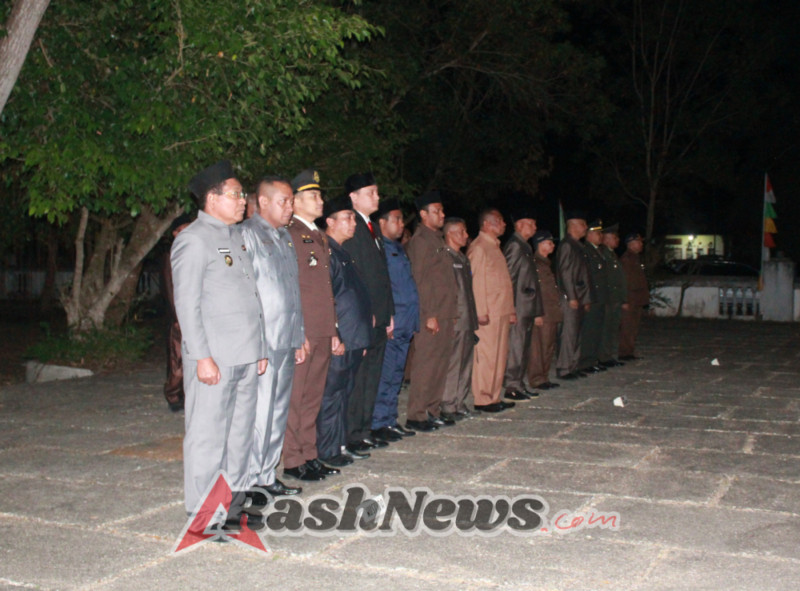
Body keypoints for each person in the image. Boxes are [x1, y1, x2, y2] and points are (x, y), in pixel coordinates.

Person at [171, 160, 266, 528]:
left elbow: (247, 298)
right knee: (208, 437)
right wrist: (201, 356)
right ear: (212, 199)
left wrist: (258, 350)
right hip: (215, 358)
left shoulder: (235, 237)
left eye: (243, 194)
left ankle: (232, 505)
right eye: (236, 194)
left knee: (239, 436)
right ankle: (203, 513)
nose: (243, 201)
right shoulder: (193, 240)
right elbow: (187, 304)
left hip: (244, 355)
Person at [240, 176, 306, 497]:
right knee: (260, 412)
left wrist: (300, 334)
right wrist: (256, 344)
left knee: (278, 411)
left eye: (292, 201)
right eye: (284, 201)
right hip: (263, 342)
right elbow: (245, 294)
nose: (290, 207)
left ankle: (267, 474)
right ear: (263, 202)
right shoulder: (247, 235)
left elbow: (292, 290)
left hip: (286, 337)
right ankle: (251, 479)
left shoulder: (284, 237)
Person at [284, 169, 340, 482]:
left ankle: (309, 454)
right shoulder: (290, 234)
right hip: (304, 328)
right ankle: (293, 459)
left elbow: (325, 288)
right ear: (295, 201)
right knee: (297, 396)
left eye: (319, 195)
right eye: (313, 196)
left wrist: (332, 329)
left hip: (321, 326)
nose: (320, 201)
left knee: (313, 396)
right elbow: (292, 287)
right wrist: (297, 331)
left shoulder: (318, 235)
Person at [317, 196, 374, 466]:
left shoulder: (342, 251)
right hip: (340, 337)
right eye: (347, 217)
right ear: (330, 222)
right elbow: (326, 297)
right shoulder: (325, 250)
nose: (353, 222)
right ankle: (327, 451)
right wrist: (334, 333)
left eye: (353, 217)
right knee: (331, 396)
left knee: (344, 395)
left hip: (352, 336)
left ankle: (339, 445)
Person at [342, 172, 396, 453]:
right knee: (359, 377)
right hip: (364, 315)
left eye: (376, 192)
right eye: (371, 192)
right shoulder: (351, 226)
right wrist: (368, 311)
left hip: (380, 314)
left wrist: (389, 312)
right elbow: (356, 274)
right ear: (354, 197)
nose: (377, 196)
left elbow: (381, 274)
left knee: (373, 374)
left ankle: (364, 429)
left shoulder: (372, 225)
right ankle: (351, 434)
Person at [405, 191, 459, 430]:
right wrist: (428, 315)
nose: (442, 215)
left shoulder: (437, 240)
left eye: (442, 210)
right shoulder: (420, 241)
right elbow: (419, 280)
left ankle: (432, 410)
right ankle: (416, 415)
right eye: (436, 211)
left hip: (445, 312)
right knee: (425, 365)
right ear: (423, 214)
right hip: (431, 314)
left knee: (440, 365)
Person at [371, 198, 419, 441]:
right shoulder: (378, 249)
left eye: (401, 219)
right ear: (382, 222)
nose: (401, 224)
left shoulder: (398, 248)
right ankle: (378, 422)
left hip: (405, 321)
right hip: (392, 322)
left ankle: (389, 419)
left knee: (396, 374)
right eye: (397, 219)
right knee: (386, 374)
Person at [468, 208, 516, 413]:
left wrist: (510, 310)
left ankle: (494, 396)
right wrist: (480, 311)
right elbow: (476, 281)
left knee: (499, 356)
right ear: (486, 224)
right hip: (487, 314)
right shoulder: (479, 248)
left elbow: (504, 284)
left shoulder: (495, 247)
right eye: (499, 220)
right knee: (486, 357)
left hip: (501, 311)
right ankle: (483, 398)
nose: (503, 224)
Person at [502, 209, 542, 400]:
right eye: (531, 223)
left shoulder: (525, 245)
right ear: (519, 225)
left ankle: (519, 382)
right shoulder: (515, 246)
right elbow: (508, 278)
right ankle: (511, 385)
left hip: (526, 306)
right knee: (516, 347)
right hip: (518, 306)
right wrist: (509, 308)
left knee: (523, 347)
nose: (535, 227)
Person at [442, 217, 479, 419]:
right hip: (456, 319)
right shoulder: (445, 257)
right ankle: (448, 404)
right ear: (450, 234)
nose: (466, 236)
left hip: (467, 319)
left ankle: (460, 401)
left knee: (466, 362)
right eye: (462, 232)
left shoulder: (462, 258)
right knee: (454, 363)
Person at [555, 212, 593, 380]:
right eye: (583, 224)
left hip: (579, 296)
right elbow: (565, 273)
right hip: (570, 298)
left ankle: (573, 365)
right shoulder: (567, 246)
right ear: (573, 225)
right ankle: (564, 368)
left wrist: (585, 299)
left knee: (576, 334)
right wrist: (571, 296)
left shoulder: (578, 246)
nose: (585, 228)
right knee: (568, 334)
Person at [161, 213, 192, 412]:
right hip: (179, 316)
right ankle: (174, 396)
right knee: (177, 359)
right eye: (182, 230)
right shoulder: (171, 253)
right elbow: (170, 288)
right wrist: (178, 316)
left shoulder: (192, 249)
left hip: (193, 312)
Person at [527, 230, 564, 390]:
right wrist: (536, 313)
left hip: (551, 311)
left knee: (548, 347)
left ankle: (544, 376)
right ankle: (536, 379)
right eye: (549, 243)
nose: (553, 245)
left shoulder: (546, 263)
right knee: (538, 348)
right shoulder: (535, 263)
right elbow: (533, 290)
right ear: (540, 244)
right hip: (542, 312)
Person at [578, 219, 608, 374]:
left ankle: (592, 360)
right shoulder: (586, 251)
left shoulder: (598, 251)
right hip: (592, 297)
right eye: (597, 233)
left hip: (600, 297)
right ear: (589, 235)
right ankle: (585, 362)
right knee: (589, 331)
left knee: (597, 331)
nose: (600, 236)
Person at [599, 224, 627, 368]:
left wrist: (622, 298)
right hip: (609, 298)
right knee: (606, 329)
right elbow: (607, 279)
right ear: (606, 239)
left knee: (613, 328)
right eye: (614, 238)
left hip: (615, 298)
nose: (617, 240)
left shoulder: (612, 254)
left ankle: (610, 356)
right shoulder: (603, 254)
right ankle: (604, 357)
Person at [619, 233, 649, 360]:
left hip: (636, 298)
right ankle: (624, 352)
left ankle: (629, 351)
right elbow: (624, 281)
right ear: (631, 244)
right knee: (627, 326)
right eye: (639, 242)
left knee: (633, 327)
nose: (641, 244)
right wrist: (624, 299)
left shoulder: (635, 258)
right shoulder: (627, 259)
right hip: (630, 298)